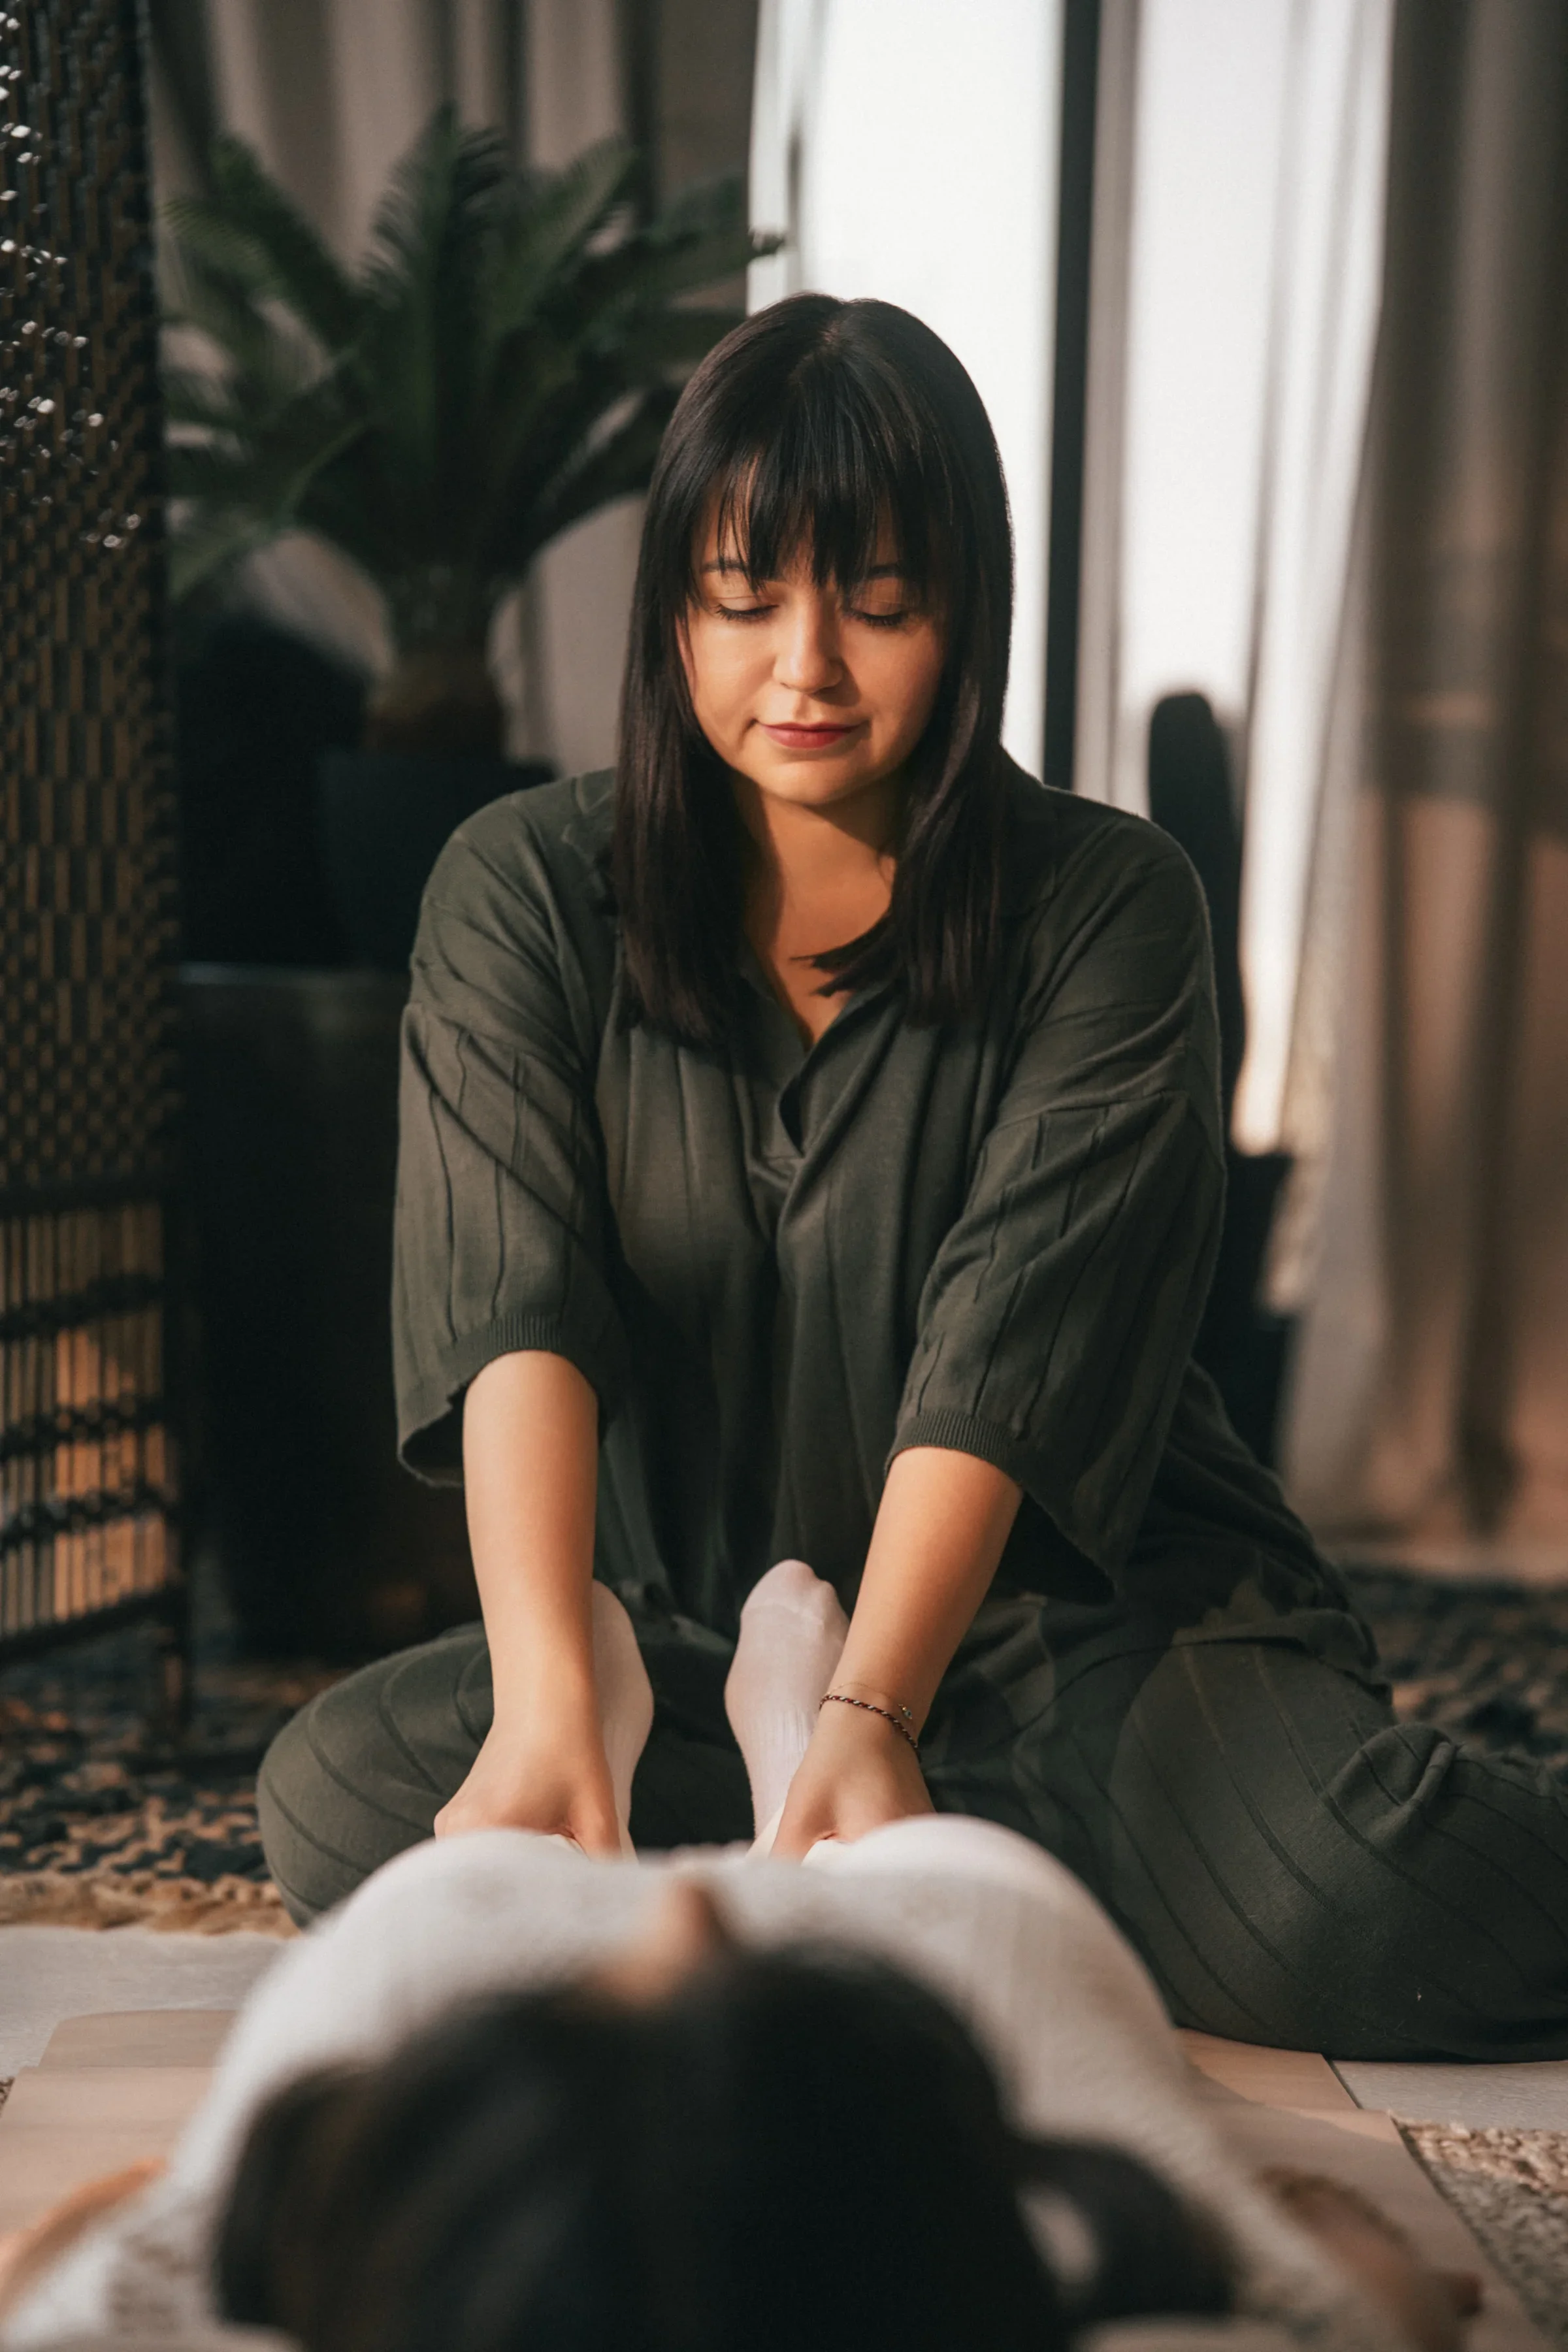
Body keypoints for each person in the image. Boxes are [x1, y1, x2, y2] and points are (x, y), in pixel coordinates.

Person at [257, 291, 1568, 2059]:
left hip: (1077, 1638)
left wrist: (877, 1694)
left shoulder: (1111, 907)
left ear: (969, 619)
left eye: (878, 604)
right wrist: (556, 1689)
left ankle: (893, 1814)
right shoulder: (523, 891)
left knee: (1368, 1913)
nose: (805, 665)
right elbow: (517, 1304)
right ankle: (878, 1838)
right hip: (696, 1648)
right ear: (671, 612)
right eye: (744, 599)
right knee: (340, 1797)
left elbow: (1011, 1349)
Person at [0, 1574, 1477, 2351]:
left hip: (469, 2021)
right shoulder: (1064, 2245)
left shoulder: (329, 2220)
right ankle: (822, 1813)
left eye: (621, 2000)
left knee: (440, 1894)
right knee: (967, 1895)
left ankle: (585, 1801)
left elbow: (79, 2246)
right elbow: (1386, 2295)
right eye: (735, 1972)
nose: (688, 1923)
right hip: (905, 2020)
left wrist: (207, 2189)